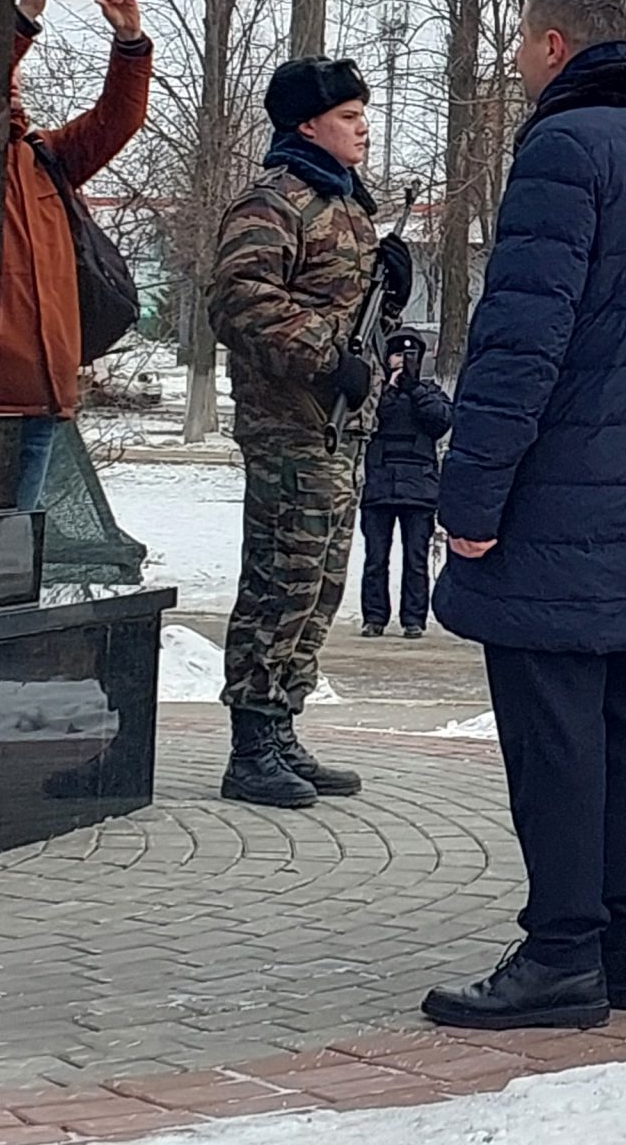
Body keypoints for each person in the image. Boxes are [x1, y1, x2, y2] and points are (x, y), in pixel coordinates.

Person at [421, 0, 626, 1033]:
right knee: (620, 715)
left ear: (553, 45)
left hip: (558, 495)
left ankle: (559, 956)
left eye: (517, 38)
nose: (512, 57)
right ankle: (621, 946)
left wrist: (472, 492)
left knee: (552, 730)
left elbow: (520, 339)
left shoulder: (562, 151)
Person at [210, 55, 406, 811]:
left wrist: (391, 293)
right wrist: (331, 356)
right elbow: (238, 302)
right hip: (290, 425)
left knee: (320, 585)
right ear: (306, 125)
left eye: (363, 116)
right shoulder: (274, 202)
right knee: (279, 580)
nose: (363, 130)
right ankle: (250, 743)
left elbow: (348, 310)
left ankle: (282, 721)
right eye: (349, 118)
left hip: (339, 432)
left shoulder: (346, 205)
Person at [0, 0, 150, 512]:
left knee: (13, 556)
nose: (15, 89)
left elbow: (116, 122)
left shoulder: (43, 158)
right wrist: (26, 15)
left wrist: (130, 42)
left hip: (42, 396)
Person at [357, 329, 454, 638]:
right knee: (375, 559)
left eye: (409, 356)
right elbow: (366, 419)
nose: (402, 361)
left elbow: (441, 421)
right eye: (398, 355)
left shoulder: (429, 391)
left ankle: (413, 619)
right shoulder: (375, 391)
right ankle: (374, 617)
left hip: (419, 490)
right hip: (380, 485)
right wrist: (388, 387)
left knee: (416, 560)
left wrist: (414, 389)